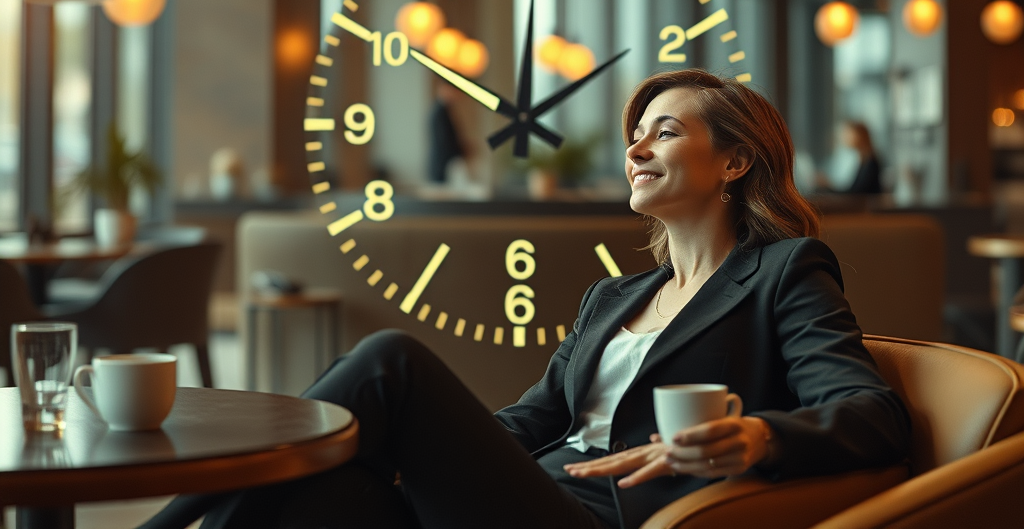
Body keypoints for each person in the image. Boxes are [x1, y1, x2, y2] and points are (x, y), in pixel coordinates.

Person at [140, 69, 910, 529]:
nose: (636, 149)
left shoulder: (784, 271)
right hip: (523, 497)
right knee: (323, 492)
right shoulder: (614, 296)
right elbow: (529, 421)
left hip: (597, 518)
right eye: (635, 134)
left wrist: (760, 438)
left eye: (665, 133)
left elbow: (870, 412)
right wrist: (426, 457)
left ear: (735, 160)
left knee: (390, 361)